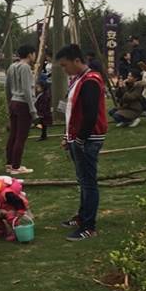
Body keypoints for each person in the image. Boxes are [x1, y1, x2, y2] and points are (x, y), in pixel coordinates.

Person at [56, 44, 107, 241]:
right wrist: (68, 136)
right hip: (77, 137)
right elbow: (72, 111)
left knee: (88, 182)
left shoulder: (90, 81)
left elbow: (90, 114)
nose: (64, 69)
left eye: (65, 65)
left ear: (77, 61)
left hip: (88, 138)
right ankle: (82, 215)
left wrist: (79, 139)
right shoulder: (78, 79)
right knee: (83, 180)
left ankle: (89, 226)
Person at [4, 44, 38, 175]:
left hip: (13, 102)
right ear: (30, 54)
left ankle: (9, 163)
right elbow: (27, 90)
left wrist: (9, 103)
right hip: (23, 104)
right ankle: (16, 166)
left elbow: (7, 87)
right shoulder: (26, 68)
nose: (34, 56)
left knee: (13, 134)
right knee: (21, 136)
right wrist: (33, 110)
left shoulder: (12, 67)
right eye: (34, 54)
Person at [34, 71, 53, 141]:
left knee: (43, 124)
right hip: (42, 112)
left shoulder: (44, 96)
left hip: (44, 113)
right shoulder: (41, 95)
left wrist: (41, 112)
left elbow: (43, 105)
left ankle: (43, 135)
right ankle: (43, 135)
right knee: (42, 124)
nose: (37, 88)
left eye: (38, 87)